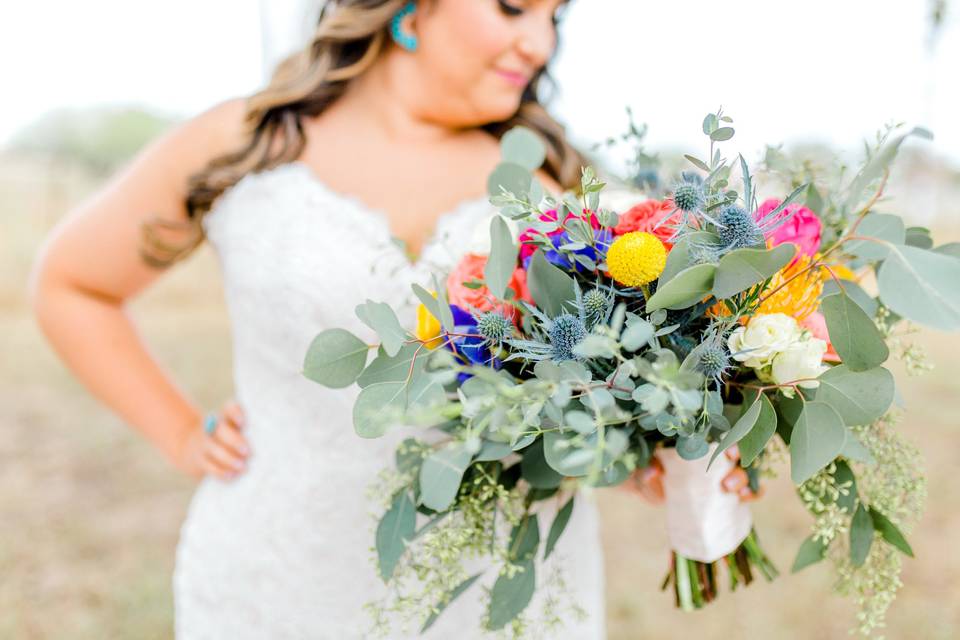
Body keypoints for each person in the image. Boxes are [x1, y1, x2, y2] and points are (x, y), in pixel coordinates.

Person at [28, 1, 758, 637]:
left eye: (554, 17)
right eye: (513, 6)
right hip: (276, 580)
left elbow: (579, 384)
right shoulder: (247, 143)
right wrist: (184, 433)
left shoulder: (554, 187)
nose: (540, 43)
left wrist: (647, 447)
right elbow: (73, 285)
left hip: (502, 595)